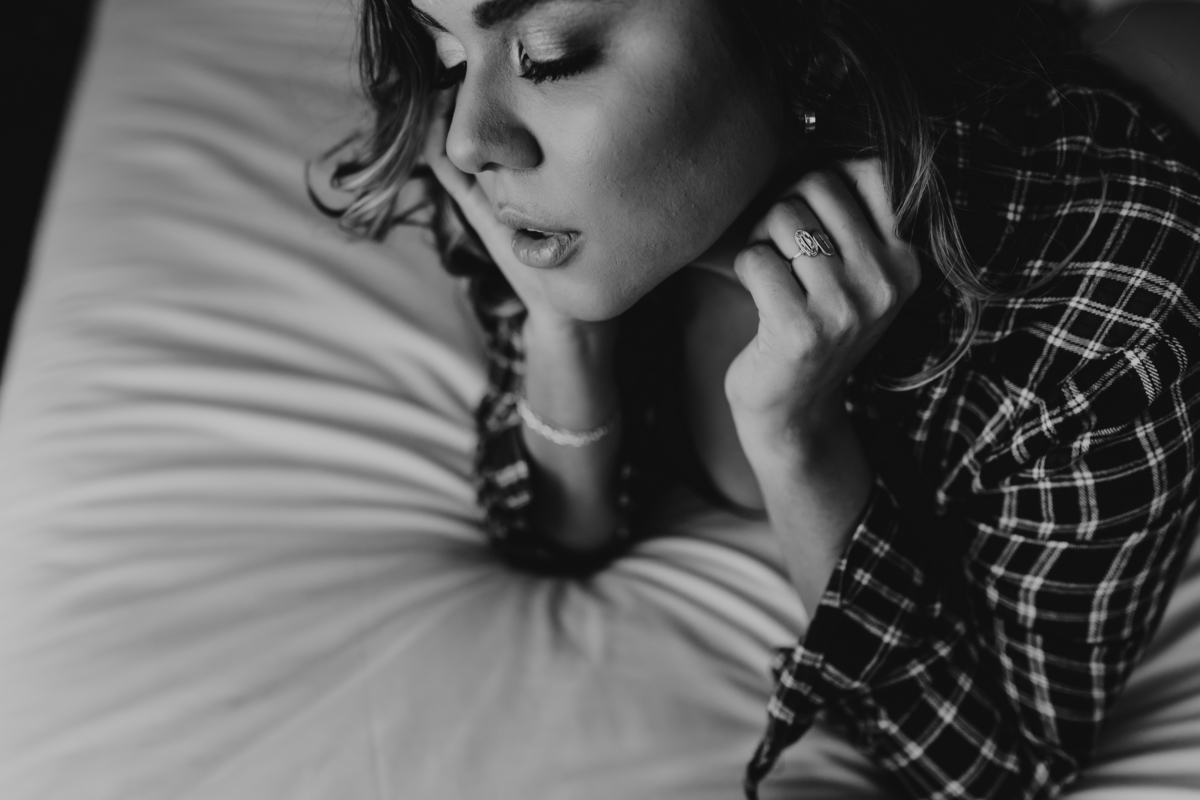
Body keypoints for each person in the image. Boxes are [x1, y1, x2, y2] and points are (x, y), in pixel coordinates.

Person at [314, 0, 1200, 797]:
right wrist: (565, 330)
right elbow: (552, 531)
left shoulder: (1114, 316)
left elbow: (998, 768)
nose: (470, 142)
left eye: (546, 56)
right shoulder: (553, 186)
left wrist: (795, 437)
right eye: (448, 53)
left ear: (801, 38)